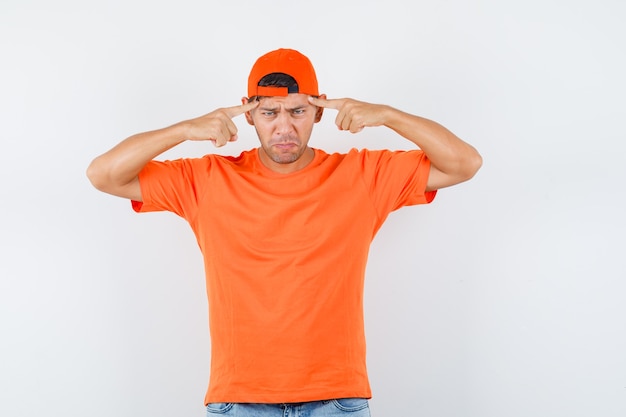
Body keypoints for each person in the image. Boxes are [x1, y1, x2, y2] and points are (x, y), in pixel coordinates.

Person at [87, 48, 482, 417]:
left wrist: (388, 115)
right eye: (269, 112)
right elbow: (103, 174)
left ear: (320, 111)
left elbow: (464, 163)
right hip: (239, 400)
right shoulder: (207, 179)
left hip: (337, 399)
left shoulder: (362, 175)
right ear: (248, 114)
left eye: (297, 111)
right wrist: (185, 129)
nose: (284, 127)